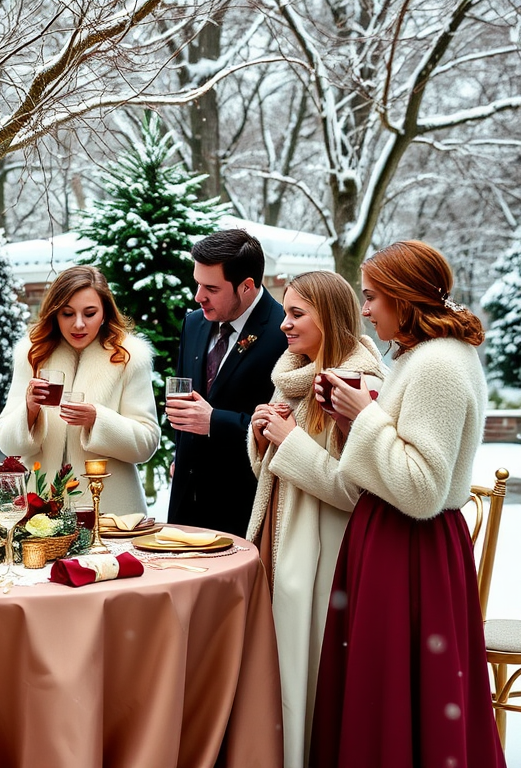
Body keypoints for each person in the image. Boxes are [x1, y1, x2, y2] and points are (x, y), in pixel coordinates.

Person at [308, 242, 505, 767]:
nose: (366, 310)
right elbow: (405, 452)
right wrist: (358, 419)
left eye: (372, 298)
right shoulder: (425, 356)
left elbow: (421, 486)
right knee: (389, 688)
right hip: (398, 544)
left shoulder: (438, 364)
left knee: (393, 690)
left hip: (410, 550)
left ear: (403, 296)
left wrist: (363, 416)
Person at [245, 271, 384, 768]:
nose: (284, 324)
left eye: (297, 313)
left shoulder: (358, 385)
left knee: (309, 667)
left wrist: (288, 441)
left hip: (324, 553)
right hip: (279, 542)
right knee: (278, 667)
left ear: (331, 316)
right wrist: (262, 438)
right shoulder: (294, 377)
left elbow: (355, 490)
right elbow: (279, 468)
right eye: (285, 311)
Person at [0, 265, 160, 515]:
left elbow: (147, 443)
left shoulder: (129, 357)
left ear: (104, 313)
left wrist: (97, 419)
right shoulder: (33, 354)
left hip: (111, 512)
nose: (79, 324)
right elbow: (7, 443)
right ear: (54, 314)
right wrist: (29, 410)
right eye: (68, 313)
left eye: (90, 313)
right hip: (40, 512)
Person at [166, 229, 287, 534]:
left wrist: (215, 422)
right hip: (185, 504)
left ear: (247, 286)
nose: (198, 297)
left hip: (243, 506)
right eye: (197, 284)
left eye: (211, 288)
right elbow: (187, 400)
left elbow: (289, 428)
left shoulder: (284, 332)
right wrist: (178, 455)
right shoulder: (193, 323)